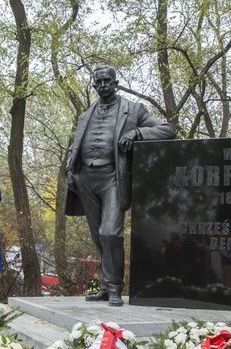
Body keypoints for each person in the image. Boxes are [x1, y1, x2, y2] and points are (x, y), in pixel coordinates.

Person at [65, 65, 176, 306]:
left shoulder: (133, 110)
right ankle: (106, 287)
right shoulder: (86, 115)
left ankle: (115, 287)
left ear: (116, 83)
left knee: (110, 233)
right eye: (99, 82)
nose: (103, 86)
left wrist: (137, 133)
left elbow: (168, 130)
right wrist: (69, 170)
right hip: (85, 179)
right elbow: (75, 146)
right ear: (94, 86)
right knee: (98, 236)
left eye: (108, 81)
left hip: (113, 178)